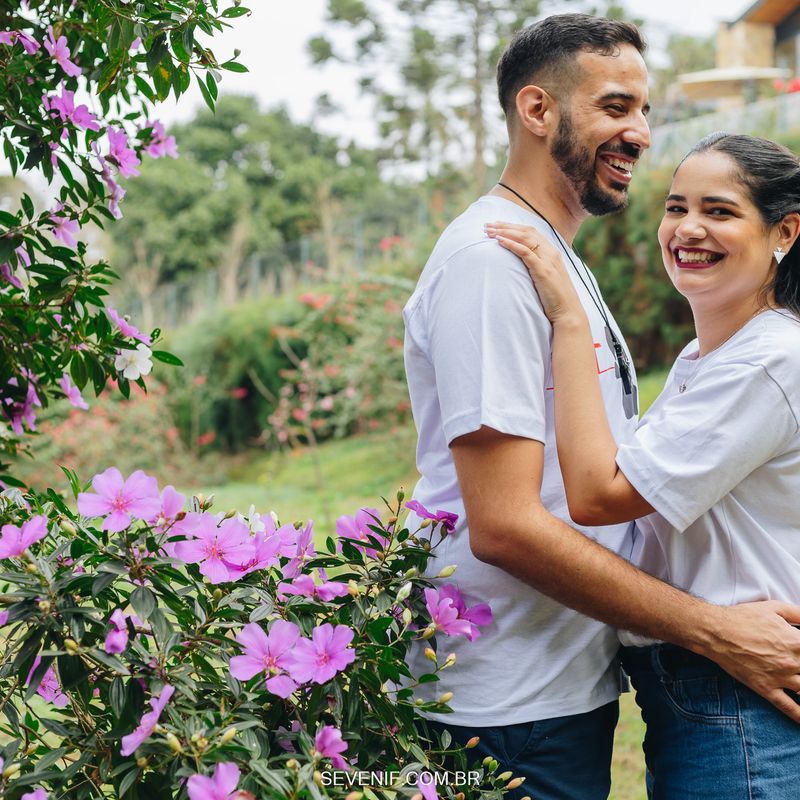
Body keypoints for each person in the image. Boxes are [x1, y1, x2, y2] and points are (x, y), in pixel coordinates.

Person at [403, 13, 800, 800]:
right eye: (617, 107)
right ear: (538, 111)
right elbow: (507, 521)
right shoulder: (494, 262)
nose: (642, 132)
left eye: (644, 110)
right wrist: (711, 628)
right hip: (512, 698)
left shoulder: (554, 261)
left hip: (560, 681)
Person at [486, 132, 800, 797]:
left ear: (785, 232)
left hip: (736, 697)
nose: (687, 229)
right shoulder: (704, 361)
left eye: (719, 211)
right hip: (703, 687)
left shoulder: (769, 361)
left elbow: (600, 494)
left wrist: (568, 319)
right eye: (675, 206)